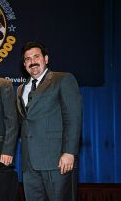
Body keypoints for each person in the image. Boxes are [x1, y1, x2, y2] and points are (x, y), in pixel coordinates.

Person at [16, 41, 82, 201]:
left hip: (57, 161)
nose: (33, 61)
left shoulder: (63, 79)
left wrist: (69, 152)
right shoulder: (20, 89)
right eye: (28, 59)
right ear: (24, 64)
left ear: (46, 59)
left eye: (36, 56)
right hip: (29, 164)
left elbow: (73, 118)